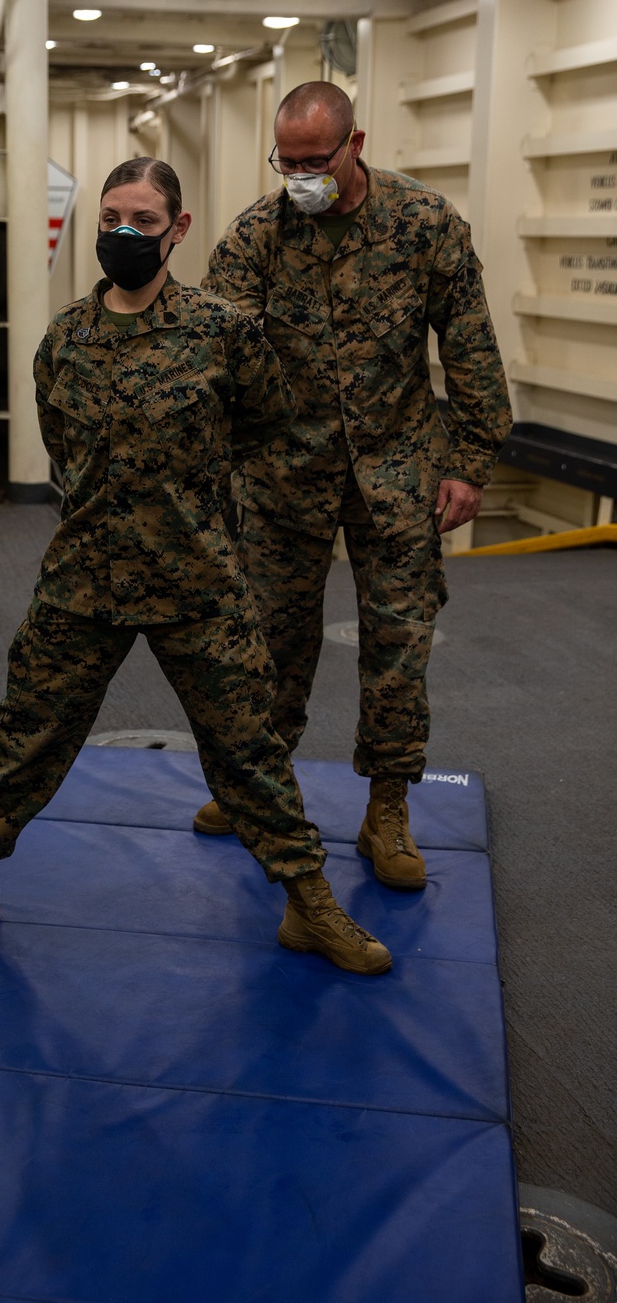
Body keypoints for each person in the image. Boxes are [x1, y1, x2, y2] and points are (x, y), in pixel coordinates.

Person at [0, 157, 390, 975]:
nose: (122, 233)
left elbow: (270, 425)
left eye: (142, 221)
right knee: (26, 736)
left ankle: (309, 904)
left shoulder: (222, 332)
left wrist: (200, 507)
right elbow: (65, 450)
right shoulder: (64, 341)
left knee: (249, 751)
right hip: (83, 577)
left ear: (177, 230)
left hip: (197, 580)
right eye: (111, 217)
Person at [191, 83, 512, 890]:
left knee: (399, 650)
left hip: (397, 471)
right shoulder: (257, 236)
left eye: (314, 161)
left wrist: (470, 464)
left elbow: (470, 349)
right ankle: (257, 789)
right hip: (283, 477)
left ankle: (388, 810)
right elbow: (216, 360)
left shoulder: (425, 224)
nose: (300, 176)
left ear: (354, 144)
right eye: (286, 162)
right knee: (267, 645)